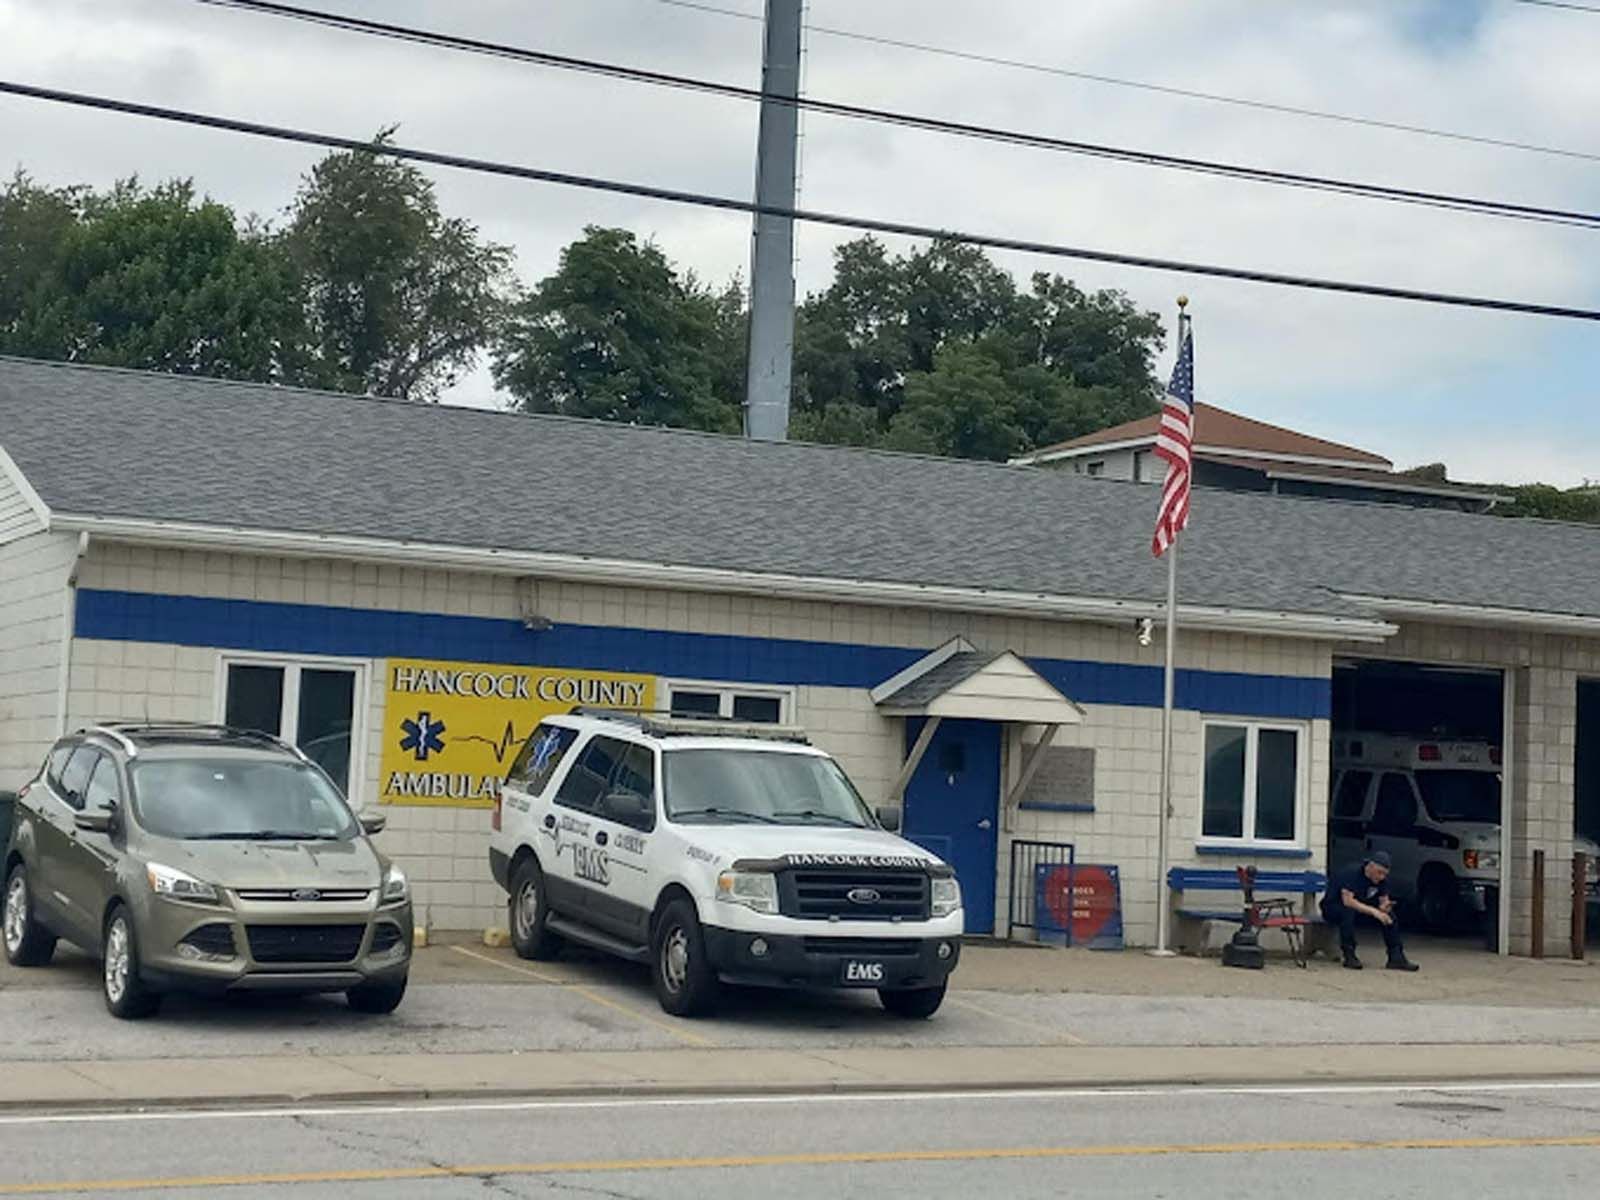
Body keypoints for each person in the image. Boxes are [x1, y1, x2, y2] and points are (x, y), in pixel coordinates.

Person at [1320, 851, 1419, 971]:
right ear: (1370, 866)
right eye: (1379, 873)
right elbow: (1348, 901)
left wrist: (1384, 908)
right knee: (1348, 912)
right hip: (1333, 907)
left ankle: (1396, 956)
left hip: (1361, 908)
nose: (1381, 877)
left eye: (1384, 874)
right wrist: (1374, 912)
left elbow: (1383, 900)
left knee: (1389, 917)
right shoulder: (1352, 873)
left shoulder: (1382, 881)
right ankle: (1349, 954)